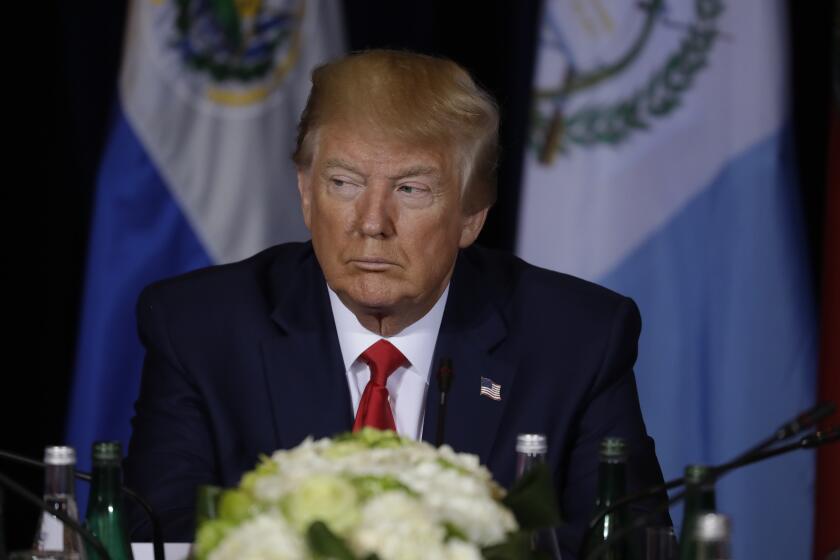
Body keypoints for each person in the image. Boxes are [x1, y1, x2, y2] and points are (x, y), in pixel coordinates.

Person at [124, 49, 669, 556]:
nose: (371, 223)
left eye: (410, 190)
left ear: (473, 213)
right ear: (306, 193)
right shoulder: (200, 328)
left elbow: (628, 540)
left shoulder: (576, 339)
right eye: (343, 182)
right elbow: (169, 534)